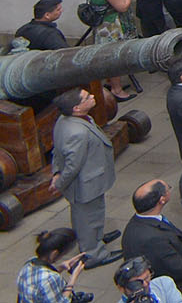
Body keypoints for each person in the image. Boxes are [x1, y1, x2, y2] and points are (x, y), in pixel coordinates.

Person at [49, 89, 120, 266]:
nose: (93, 97)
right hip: (85, 185)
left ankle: (96, 238)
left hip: (90, 181)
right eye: (88, 98)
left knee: (90, 215)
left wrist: (56, 172)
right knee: (89, 218)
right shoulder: (76, 133)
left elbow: (58, 152)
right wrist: (60, 183)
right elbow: (72, 165)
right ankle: (93, 254)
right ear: (77, 108)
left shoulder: (66, 120)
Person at [120, 181, 182, 303]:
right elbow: (175, 266)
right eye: (168, 188)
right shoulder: (153, 239)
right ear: (162, 200)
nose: (170, 190)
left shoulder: (137, 223)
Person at [16, 228, 91, 303]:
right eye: (64, 253)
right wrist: (73, 279)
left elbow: (40, 283)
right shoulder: (50, 278)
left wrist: (60, 267)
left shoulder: (30, 263)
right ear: (54, 254)